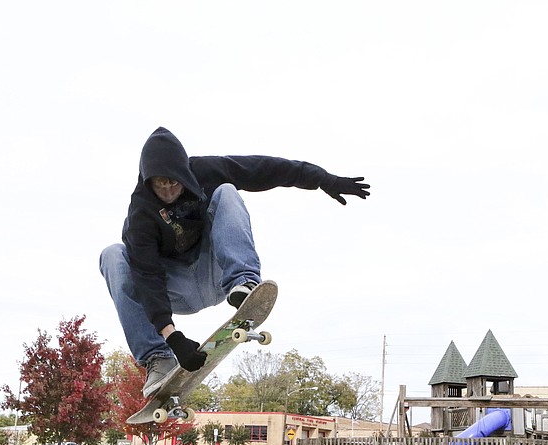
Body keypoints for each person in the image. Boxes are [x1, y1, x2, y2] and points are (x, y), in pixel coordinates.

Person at [100, 127, 370, 397]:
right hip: (174, 291)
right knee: (112, 255)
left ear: (184, 173)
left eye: (175, 182)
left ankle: (244, 283)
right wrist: (172, 336)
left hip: (216, 274)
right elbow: (147, 277)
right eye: (161, 184)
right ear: (149, 181)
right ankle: (158, 359)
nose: (169, 190)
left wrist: (323, 179)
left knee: (227, 191)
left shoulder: (205, 170)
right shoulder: (140, 214)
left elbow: (265, 168)